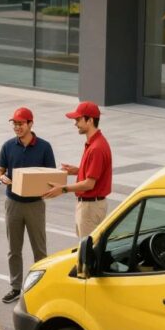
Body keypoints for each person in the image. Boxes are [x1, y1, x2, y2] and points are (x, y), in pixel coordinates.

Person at [0, 107, 56, 304]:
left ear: (30, 124)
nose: (17, 127)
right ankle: (15, 287)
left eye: (20, 123)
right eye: (14, 123)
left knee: (39, 248)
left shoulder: (44, 147)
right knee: (14, 249)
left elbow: (51, 176)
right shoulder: (7, 146)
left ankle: (41, 287)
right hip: (13, 203)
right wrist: (2, 177)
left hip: (35, 205)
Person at [43, 101, 112, 239]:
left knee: (87, 253)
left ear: (90, 120)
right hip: (93, 206)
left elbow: (89, 184)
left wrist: (62, 189)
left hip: (90, 208)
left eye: (78, 119)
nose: (75, 123)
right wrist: (77, 171)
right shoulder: (96, 143)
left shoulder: (96, 148)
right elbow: (96, 172)